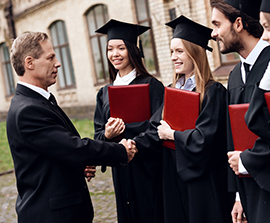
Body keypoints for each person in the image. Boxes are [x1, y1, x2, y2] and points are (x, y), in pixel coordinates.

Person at [6, 32, 137, 223]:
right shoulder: (28, 109)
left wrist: (77, 166)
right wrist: (121, 151)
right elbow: (75, 148)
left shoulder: (37, 101)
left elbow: (54, 151)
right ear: (29, 63)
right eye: (50, 57)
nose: (58, 63)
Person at [150, 15, 233, 223]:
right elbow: (154, 126)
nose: (173, 57)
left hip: (204, 182)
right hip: (174, 177)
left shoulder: (213, 93)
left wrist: (173, 135)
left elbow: (206, 139)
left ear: (195, 53)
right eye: (171, 52)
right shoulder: (171, 92)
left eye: (179, 51)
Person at [210, 0, 270, 223]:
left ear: (237, 24)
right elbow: (232, 138)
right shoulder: (235, 75)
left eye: (216, 24)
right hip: (247, 186)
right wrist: (236, 195)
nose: (213, 34)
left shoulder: (269, 65)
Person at [94, 19, 164, 223]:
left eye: (121, 48)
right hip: (120, 169)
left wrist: (131, 142)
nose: (114, 54)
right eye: (110, 49)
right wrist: (108, 135)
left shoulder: (152, 86)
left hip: (147, 169)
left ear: (132, 50)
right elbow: (98, 135)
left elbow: (157, 127)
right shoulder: (104, 93)